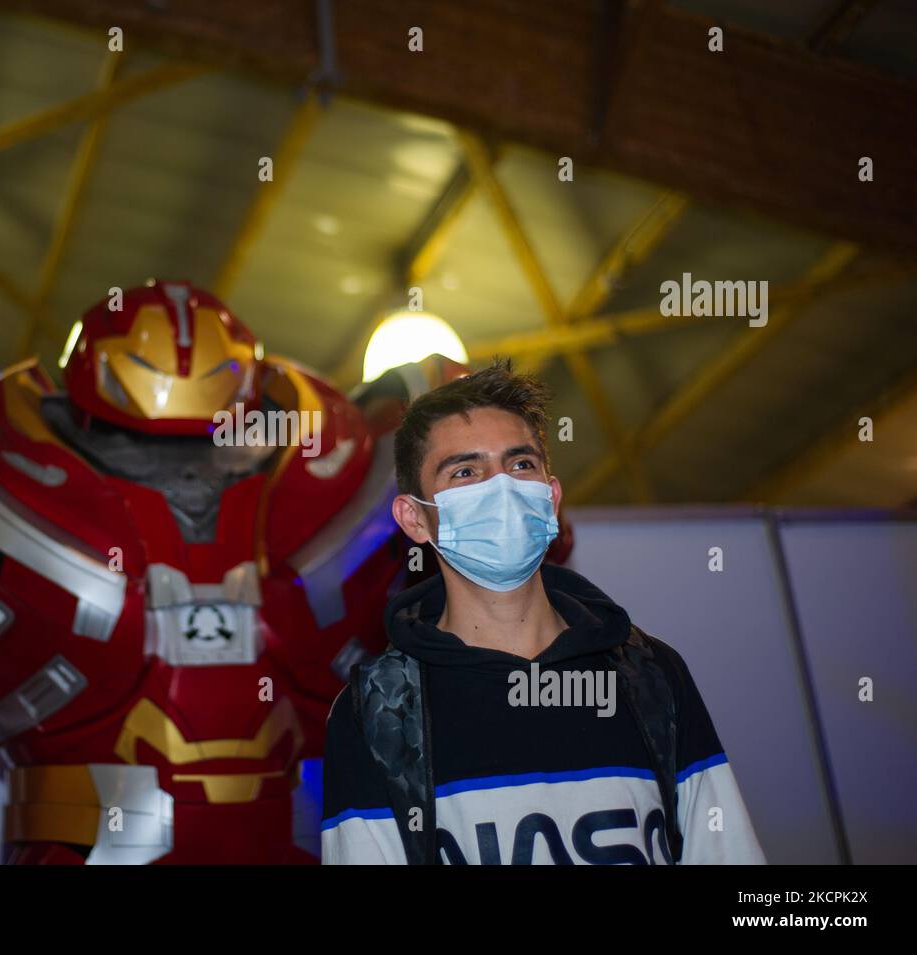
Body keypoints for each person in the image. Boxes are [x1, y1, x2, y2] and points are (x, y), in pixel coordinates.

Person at [321, 357, 766, 865]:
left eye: (520, 464)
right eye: (466, 471)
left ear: (551, 498)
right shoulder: (378, 711)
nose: (502, 488)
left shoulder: (652, 677)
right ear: (414, 518)